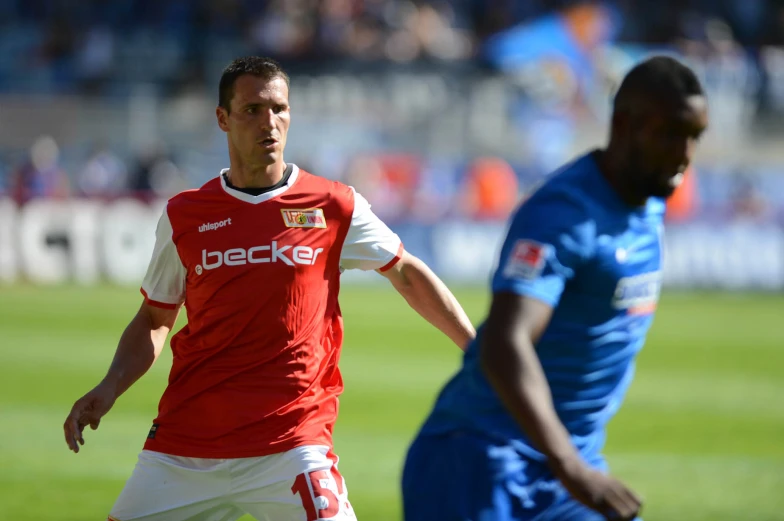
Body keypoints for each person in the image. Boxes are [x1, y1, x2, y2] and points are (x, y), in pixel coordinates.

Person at [63, 56, 476, 521]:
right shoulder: (186, 215)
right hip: (186, 447)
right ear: (223, 118)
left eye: (279, 109)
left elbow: (404, 272)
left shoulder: (333, 204)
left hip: (293, 446)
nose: (270, 123)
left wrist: (478, 350)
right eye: (252, 110)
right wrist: (110, 386)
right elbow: (155, 318)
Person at [402, 55, 709, 521]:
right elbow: (507, 342)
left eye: (694, 137)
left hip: (566, 466)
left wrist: (571, 463)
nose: (685, 153)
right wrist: (571, 466)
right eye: (671, 134)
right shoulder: (562, 213)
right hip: (482, 461)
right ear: (624, 125)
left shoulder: (647, 203)